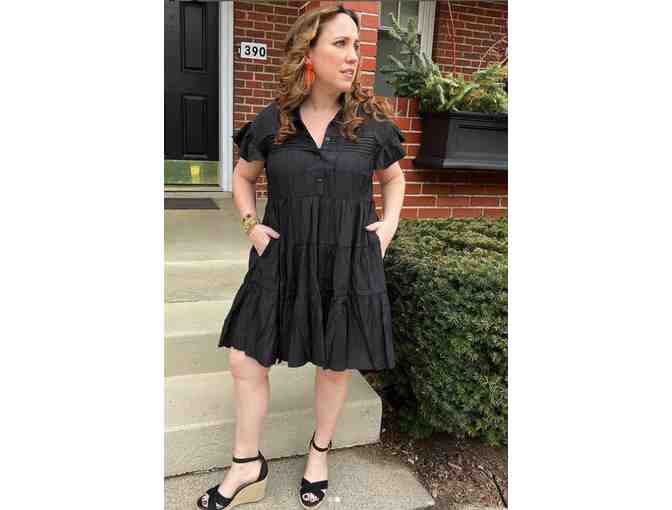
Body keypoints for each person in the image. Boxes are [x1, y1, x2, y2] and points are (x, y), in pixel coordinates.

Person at [197, 4, 406, 509]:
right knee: (245, 358)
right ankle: (246, 463)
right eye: (340, 44)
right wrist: (251, 226)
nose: (353, 56)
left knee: (335, 363)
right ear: (308, 52)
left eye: (357, 46)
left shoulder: (371, 124)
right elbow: (243, 178)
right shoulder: (274, 121)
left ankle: (319, 452)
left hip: (345, 259)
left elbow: (394, 178)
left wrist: (389, 226)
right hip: (282, 257)